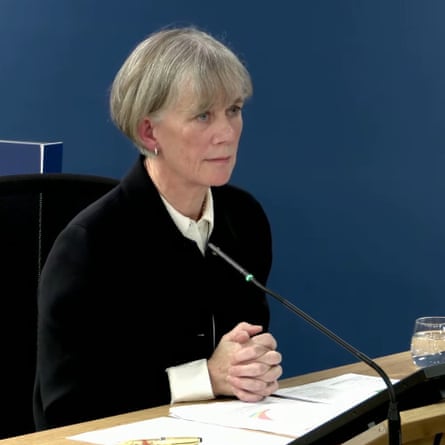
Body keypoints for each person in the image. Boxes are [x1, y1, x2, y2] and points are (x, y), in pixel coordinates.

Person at [33, 25, 282, 430]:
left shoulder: (245, 218)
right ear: (150, 132)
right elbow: (68, 406)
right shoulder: (89, 246)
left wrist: (251, 367)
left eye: (233, 110)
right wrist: (207, 376)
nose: (227, 134)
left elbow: (239, 351)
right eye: (203, 115)